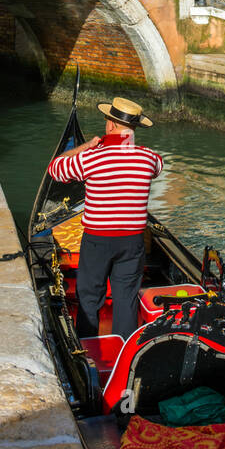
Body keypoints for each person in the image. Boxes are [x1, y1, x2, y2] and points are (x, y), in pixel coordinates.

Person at [47, 96, 163, 341]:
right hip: (132, 242)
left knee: (89, 297)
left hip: (98, 240)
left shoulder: (92, 159)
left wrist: (85, 146)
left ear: (110, 125)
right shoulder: (148, 157)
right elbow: (158, 166)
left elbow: (55, 169)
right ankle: (126, 350)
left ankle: (87, 349)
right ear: (134, 128)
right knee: (126, 297)